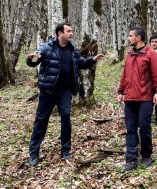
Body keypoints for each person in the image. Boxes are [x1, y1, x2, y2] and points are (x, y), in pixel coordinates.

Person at [26, 23, 104, 166]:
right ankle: (33, 153)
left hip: (65, 91)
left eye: (72, 31)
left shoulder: (72, 49)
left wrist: (92, 60)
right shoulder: (47, 47)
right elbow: (33, 62)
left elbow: (80, 63)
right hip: (48, 91)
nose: (71, 33)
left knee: (66, 118)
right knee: (41, 120)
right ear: (59, 33)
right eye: (69, 31)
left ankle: (66, 151)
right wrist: (31, 58)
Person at [117, 26, 157, 172]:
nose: (129, 38)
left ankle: (146, 155)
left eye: (131, 36)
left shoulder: (150, 53)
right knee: (130, 129)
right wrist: (120, 91)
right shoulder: (130, 54)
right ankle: (130, 159)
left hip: (145, 97)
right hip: (130, 97)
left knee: (144, 127)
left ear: (138, 38)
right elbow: (125, 74)